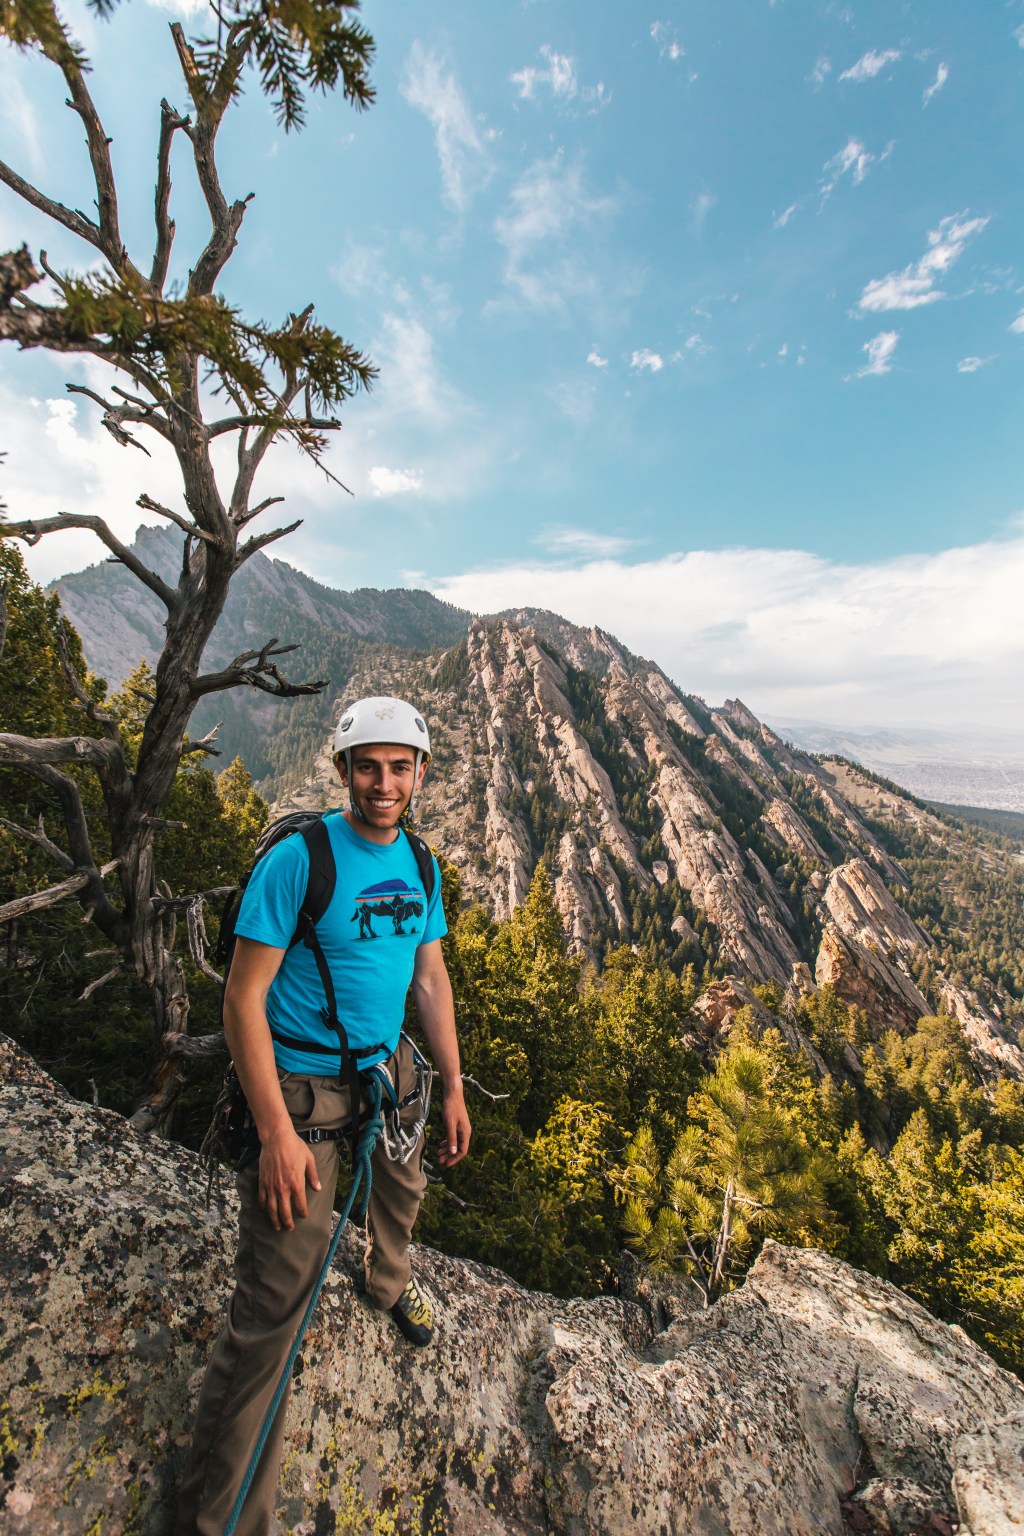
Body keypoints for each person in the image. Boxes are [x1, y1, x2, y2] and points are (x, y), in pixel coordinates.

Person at [175, 695, 471, 1536]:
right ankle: (223, 1521)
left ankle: (386, 1279)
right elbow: (243, 1000)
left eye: (400, 767)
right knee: (270, 1321)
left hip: (389, 1068)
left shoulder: (421, 862)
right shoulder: (300, 863)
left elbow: (429, 979)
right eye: (368, 766)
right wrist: (273, 1134)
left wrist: (450, 1083)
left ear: (420, 774)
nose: (384, 783)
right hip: (303, 1091)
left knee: (402, 1188)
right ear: (342, 770)